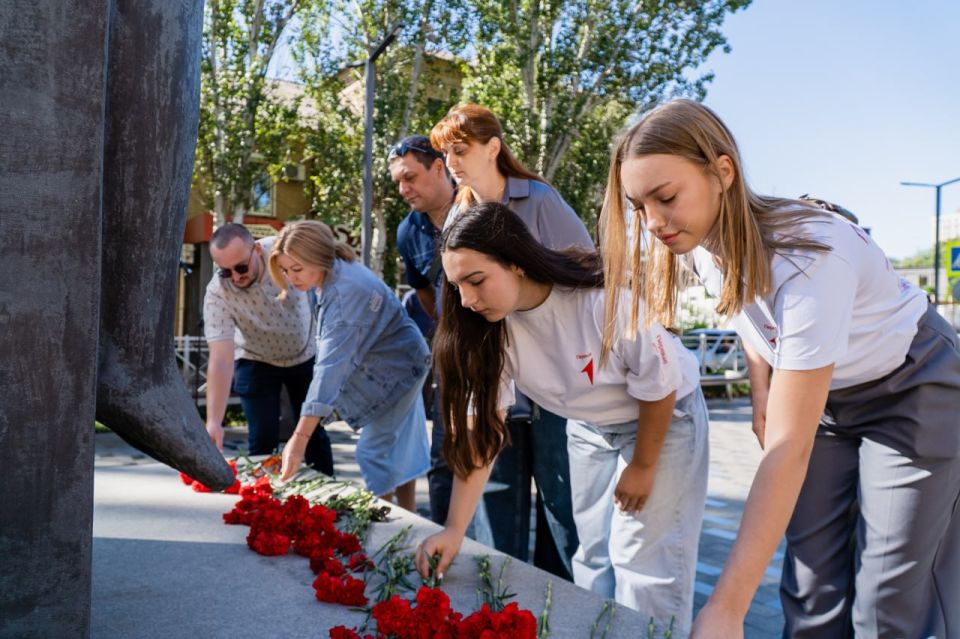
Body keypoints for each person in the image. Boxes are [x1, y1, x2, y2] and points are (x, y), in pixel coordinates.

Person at [601, 98, 960, 638]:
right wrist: (763, 392)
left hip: (913, 384)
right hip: (830, 395)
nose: (652, 222)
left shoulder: (811, 257)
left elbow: (788, 450)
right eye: (638, 206)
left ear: (723, 172)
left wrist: (726, 609)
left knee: (889, 596)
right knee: (811, 586)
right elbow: (749, 312)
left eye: (666, 197)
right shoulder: (697, 243)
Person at [415, 203, 708, 635]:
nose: (467, 301)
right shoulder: (492, 329)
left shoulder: (602, 302)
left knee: (644, 561)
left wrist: (644, 466)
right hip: (589, 426)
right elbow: (485, 438)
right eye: (457, 286)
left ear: (515, 262)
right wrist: (455, 530)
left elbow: (660, 383)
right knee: (590, 555)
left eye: (476, 281)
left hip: (663, 418)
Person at [427, 103, 591, 579]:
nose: (452, 162)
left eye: (460, 150)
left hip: (555, 379)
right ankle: (500, 593)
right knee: (495, 492)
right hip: (497, 370)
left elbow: (583, 277)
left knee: (560, 497)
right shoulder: (460, 211)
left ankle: (561, 601)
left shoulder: (540, 201)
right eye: (445, 154)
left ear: (493, 147)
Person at [269, 220, 431, 511]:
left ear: (317, 258)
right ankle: (411, 518)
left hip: (398, 370)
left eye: (296, 269)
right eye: (284, 270)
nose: (291, 278)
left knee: (374, 453)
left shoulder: (345, 295)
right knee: (401, 451)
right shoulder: (334, 267)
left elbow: (329, 369)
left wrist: (300, 436)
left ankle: (388, 532)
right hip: (403, 359)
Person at [203, 223, 333, 475]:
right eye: (225, 272)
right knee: (262, 438)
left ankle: (329, 500)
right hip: (256, 359)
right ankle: (262, 502)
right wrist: (214, 422)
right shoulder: (217, 292)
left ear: (257, 252)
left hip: (304, 354)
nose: (236, 277)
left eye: (241, 267)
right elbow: (220, 360)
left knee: (313, 434)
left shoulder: (286, 254)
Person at [389, 135, 457, 524]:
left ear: (439, 167)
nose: (403, 189)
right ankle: (448, 540)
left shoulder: (479, 206)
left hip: (506, 352)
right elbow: (423, 294)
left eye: (410, 177)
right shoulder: (406, 232)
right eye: (398, 181)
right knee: (444, 454)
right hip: (449, 354)